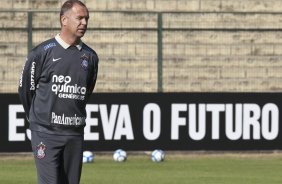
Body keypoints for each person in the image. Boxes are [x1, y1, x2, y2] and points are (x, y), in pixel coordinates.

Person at [18, 0, 98, 183]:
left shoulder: (91, 57)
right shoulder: (41, 53)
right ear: (64, 19)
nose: (84, 23)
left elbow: (86, 91)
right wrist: (38, 120)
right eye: (79, 18)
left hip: (74, 133)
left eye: (86, 18)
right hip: (45, 132)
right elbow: (25, 89)